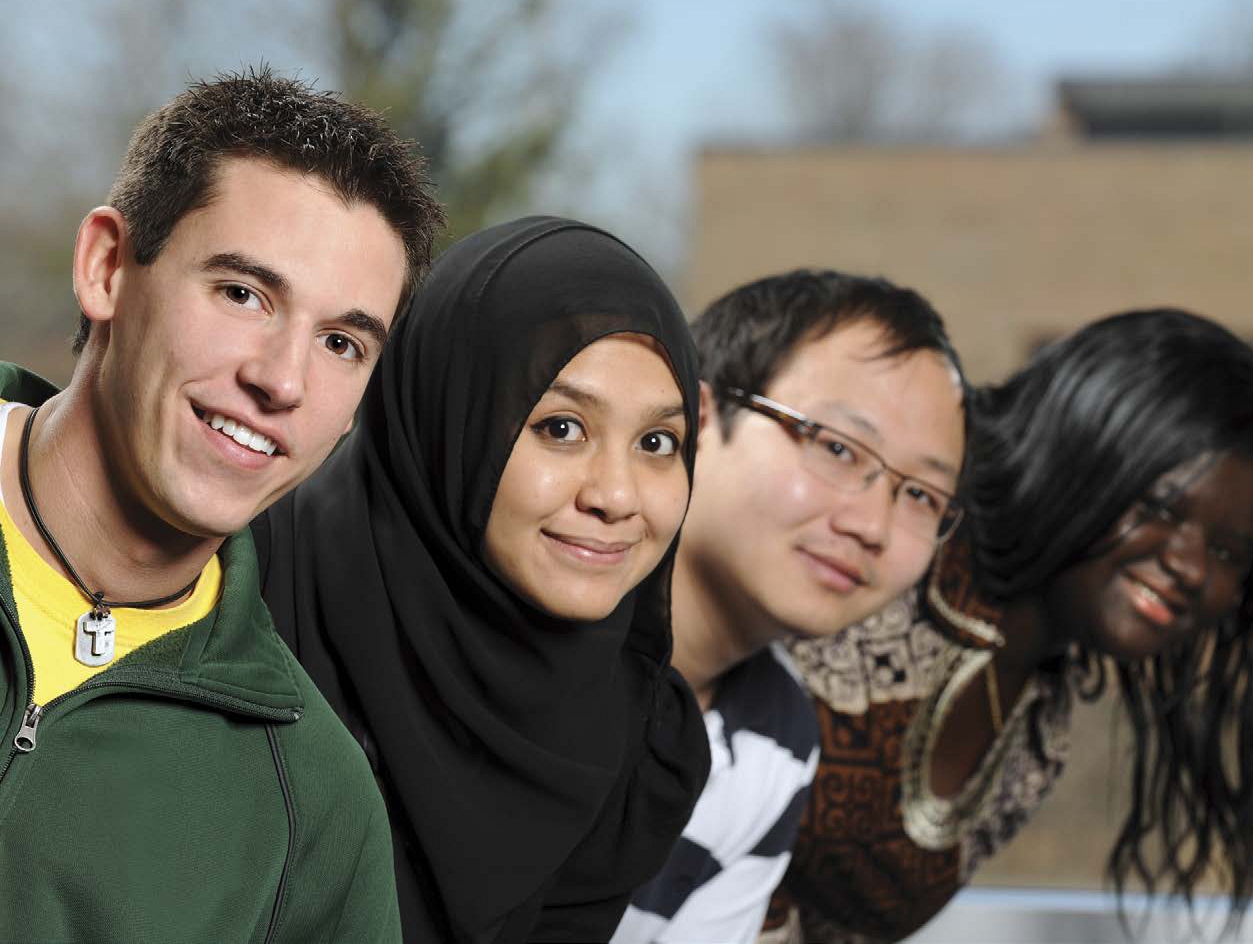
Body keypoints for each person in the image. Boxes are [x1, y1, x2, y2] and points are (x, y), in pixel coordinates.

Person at [0, 69, 441, 941]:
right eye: (244, 294)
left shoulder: (314, 804)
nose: (281, 379)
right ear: (107, 268)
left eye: (342, 343)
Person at [770, 308, 1253, 943]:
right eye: (1160, 507)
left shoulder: (1039, 737)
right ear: (1083, 459)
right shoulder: (884, 553)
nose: (1189, 566)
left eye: (1226, 553)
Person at [252, 216, 711, 943]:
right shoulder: (236, 598)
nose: (617, 496)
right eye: (562, 427)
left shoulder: (645, 741)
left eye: (658, 442)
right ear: (444, 416)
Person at [612, 269, 969, 943]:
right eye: (837, 447)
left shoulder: (778, 736)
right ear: (697, 417)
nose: (874, 525)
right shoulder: (534, 625)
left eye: (922, 496)